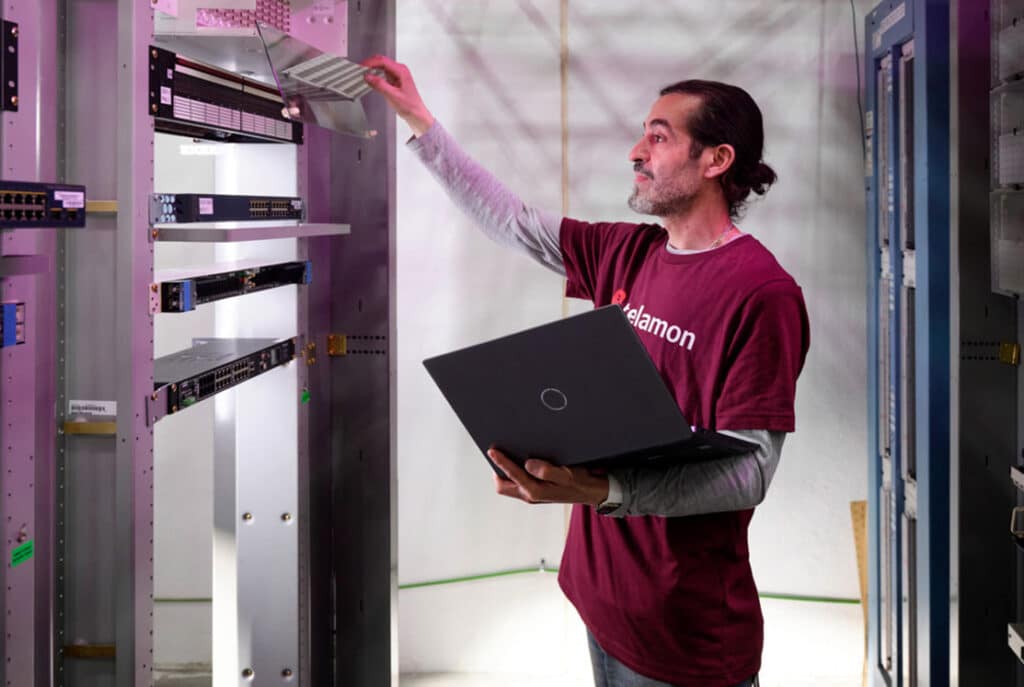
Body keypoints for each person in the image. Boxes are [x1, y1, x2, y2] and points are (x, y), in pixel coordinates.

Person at [364, 55, 809, 687]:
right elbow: (514, 221)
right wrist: (419, 119)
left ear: (716, 161)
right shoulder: (626, 252)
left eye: (658, 136)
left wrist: (604, 491)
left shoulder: (762, 293)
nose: (636, 151)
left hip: (685, 632)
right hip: (601, 601)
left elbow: (748, 471)